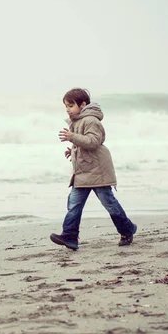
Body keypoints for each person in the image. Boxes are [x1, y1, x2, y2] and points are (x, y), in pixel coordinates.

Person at [49, 88, 136, 251]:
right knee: (74, 204)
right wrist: (73, 150)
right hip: (82, 172)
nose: (67, 109)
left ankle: (127, 230)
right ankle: (70, 236)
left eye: (70, 105)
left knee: (109, 203)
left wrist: (72, 137)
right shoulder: (77, 121)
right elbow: (84, 143)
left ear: (83, 105)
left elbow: (93, 141)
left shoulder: (91, 120)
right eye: (66, 106)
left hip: (98, 171)